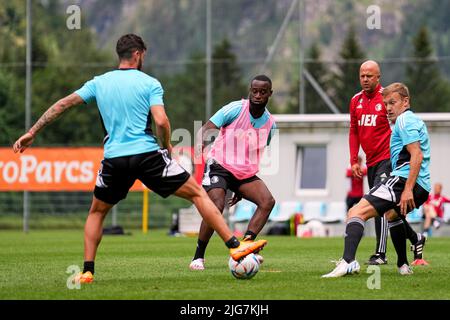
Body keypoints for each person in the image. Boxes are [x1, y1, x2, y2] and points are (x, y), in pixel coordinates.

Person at [12, 34, 267, 284]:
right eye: (143, 54)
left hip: (114, 159)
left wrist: (32, 132)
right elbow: (161, 121)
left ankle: (87, 271)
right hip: (146, 155)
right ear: (137, 54)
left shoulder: (98, 82)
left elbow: (63, 104)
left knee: (97, 212)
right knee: (198, 194)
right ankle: (234, 246)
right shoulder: (149, 83)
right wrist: (166, 145)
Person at [322, 82, 431, 278]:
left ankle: (348, 262)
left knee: (356, 212)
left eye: (393, 103)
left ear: (405, 102)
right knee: (392, 215)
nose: (388, 108)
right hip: (421, 184)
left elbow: (417, 155)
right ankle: (403, 265)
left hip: (404, 181)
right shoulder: (412, 120)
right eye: (386, 104)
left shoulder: (404, 121)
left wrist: (407, 189)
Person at [189, 75, 277, 271]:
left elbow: (255, 154)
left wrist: (240, 187)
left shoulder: (271, 124)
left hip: (243, 173)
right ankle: (198, 257)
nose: (257, 95)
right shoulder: (235, 108)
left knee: (267, 202)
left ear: (269, 94)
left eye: (263, 92)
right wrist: (199, 147)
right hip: (219, 165)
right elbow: (205, 129)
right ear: (249, 90)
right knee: (217, 205)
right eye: (254, 91)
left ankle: (246, 246)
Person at [348, 60, 424, 265]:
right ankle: (415, 238)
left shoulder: (387, 99)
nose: (365, 79)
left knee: (378, 203)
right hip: (371, 162)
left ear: (378, 77)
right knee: (387, 208)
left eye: (369, 76)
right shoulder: (355, 100)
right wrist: (354, 159)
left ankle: (380, 254)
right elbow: (354, 130)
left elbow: (399, 128)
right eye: (362, 75)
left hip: (386, 160)